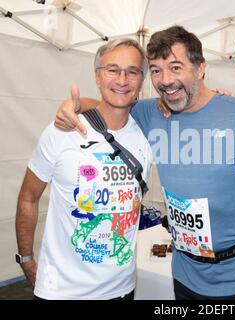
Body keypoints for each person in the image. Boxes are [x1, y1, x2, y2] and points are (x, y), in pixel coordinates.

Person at [54, 26, 235, 300]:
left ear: (200, 68)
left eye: (176, 67)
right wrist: (72, 106)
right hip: (184, 272)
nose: (165, 80)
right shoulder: (150, 113)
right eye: (156, 70)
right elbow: (108, 105)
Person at [15, 38, 153, 300]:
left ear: (141, 80)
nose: (122, 80)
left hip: (121, 289)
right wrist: (26, 258)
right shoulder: (62, 131)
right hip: (62, 292)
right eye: (112, 69)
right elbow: (28, 196)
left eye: (132, 71)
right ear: (97, 77)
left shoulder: (147, 132)